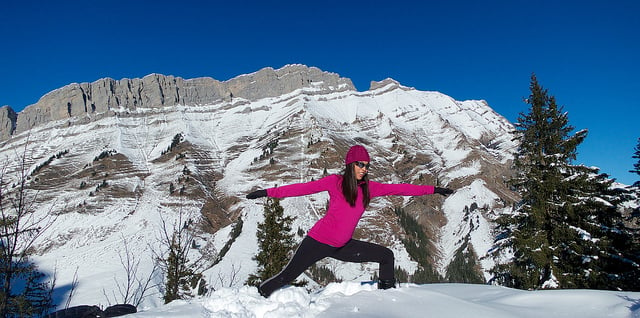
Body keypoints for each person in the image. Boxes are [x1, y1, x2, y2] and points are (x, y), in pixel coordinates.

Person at [246, 145, 453, 297]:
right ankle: (257, 295)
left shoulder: (370, 188)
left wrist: (434, 189)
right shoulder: (334, 182)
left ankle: (388, 297)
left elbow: (401, 188)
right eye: (360, 164)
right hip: (317, 242)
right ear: (350, 165)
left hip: (343, 246)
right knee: (286, 276)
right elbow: (301, 189)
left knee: (386, 256)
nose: (364, 168)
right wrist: (268, 192)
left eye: (367, 165)